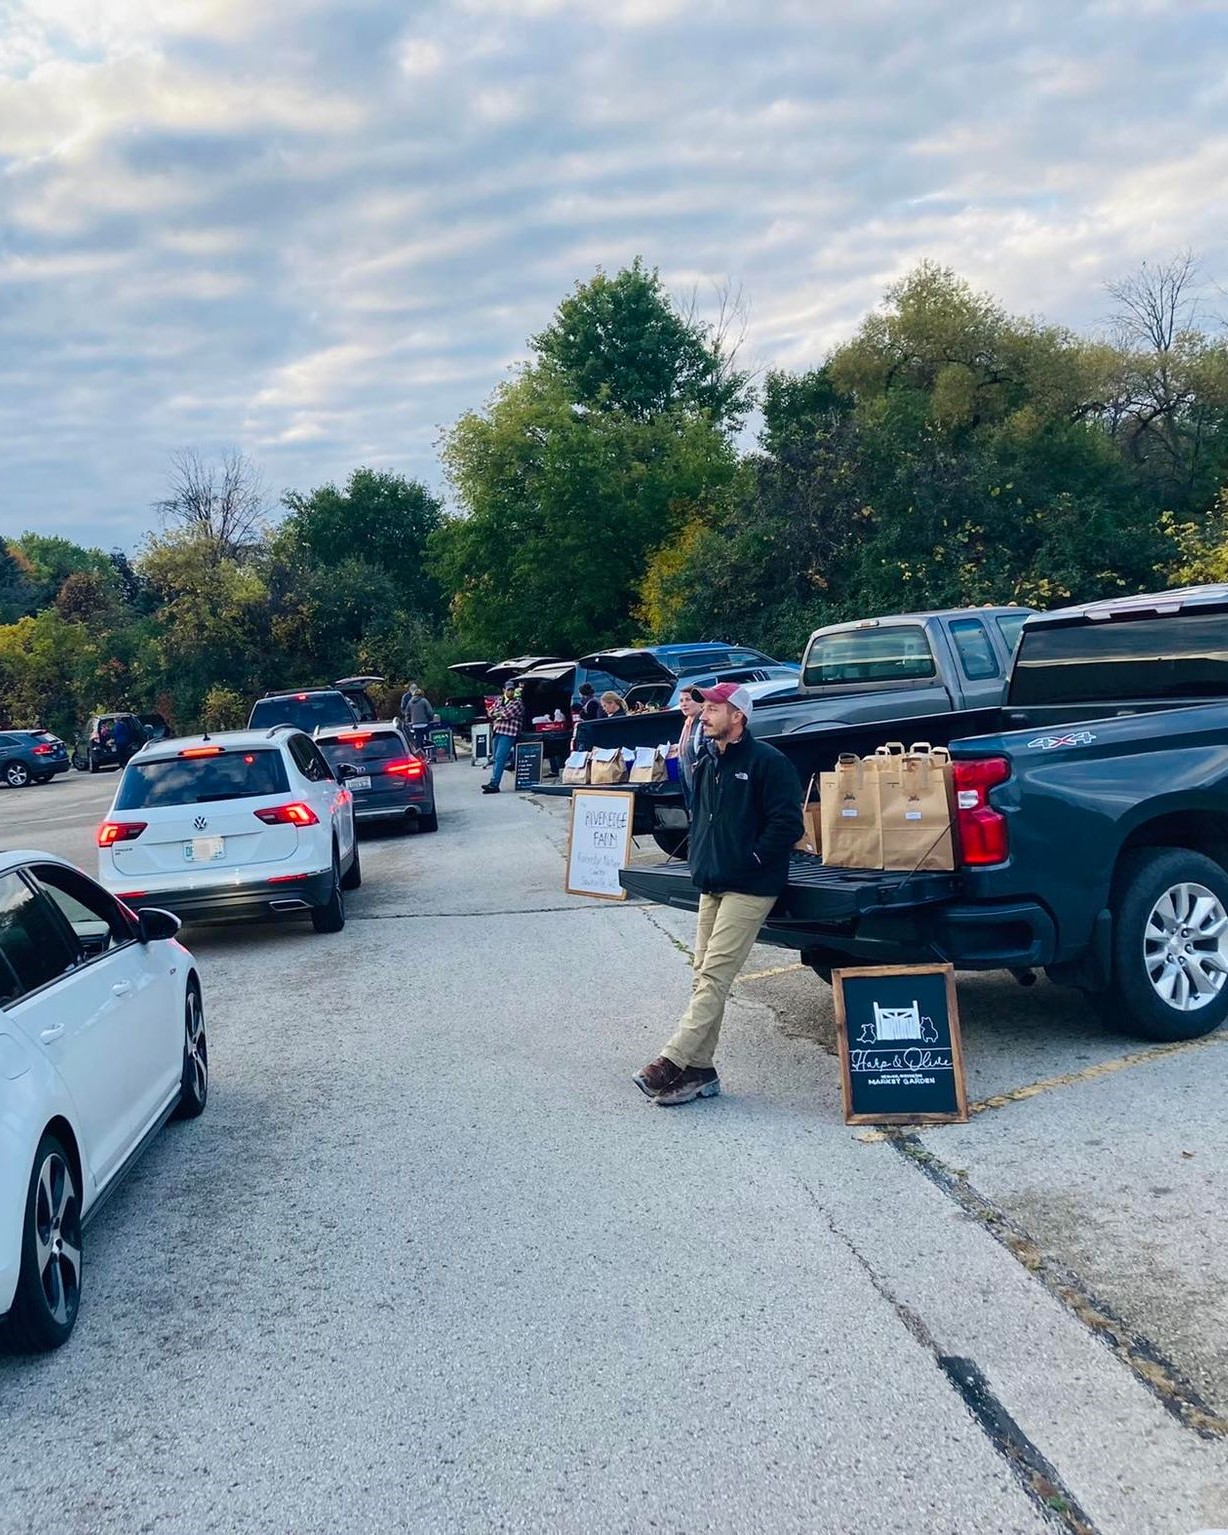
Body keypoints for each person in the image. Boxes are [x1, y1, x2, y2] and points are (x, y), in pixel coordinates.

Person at [634, 682, 802, 1106]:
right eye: (704, 707)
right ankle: (701, 1071)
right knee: (701, 975)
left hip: (750, 887)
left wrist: (754, 861)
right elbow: (703, 821)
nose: (704, 714)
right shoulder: (709, 763)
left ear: (737, 716)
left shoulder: (768, 763)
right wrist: (701, 861)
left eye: (713, 708)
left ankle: (670, 1061)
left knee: (713, 977)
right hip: (713, 882)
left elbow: (788, 825)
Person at [482, 681, 524, 793]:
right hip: (497, 731)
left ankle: (495, 783)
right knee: (495, 758)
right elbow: (490, 712)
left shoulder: (517, 702)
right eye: (508, 689)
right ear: (504, 690)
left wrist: (497, 714)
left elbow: (506, 714)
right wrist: (497, 714)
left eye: (512, 689)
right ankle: (493, 782)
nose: (510, 691)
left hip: (509, 732)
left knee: (500, 757)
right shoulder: (500, 700)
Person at [676, 685, 705, 809]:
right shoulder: (687, 723)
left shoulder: (703, 724)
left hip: (702, 788)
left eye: (688, 699)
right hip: (690, 787)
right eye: (681, 701)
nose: (683, 704)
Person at [406, 685, 433, 751]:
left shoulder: (410, 702)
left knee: (418, 740)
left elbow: (407, 713)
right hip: (424, 723)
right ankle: (429, 754)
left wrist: (409, 721)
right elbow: (430, 712)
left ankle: (420, 753)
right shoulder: (424, 701)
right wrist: (430, 718)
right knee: (427, 740)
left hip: (415, 724)